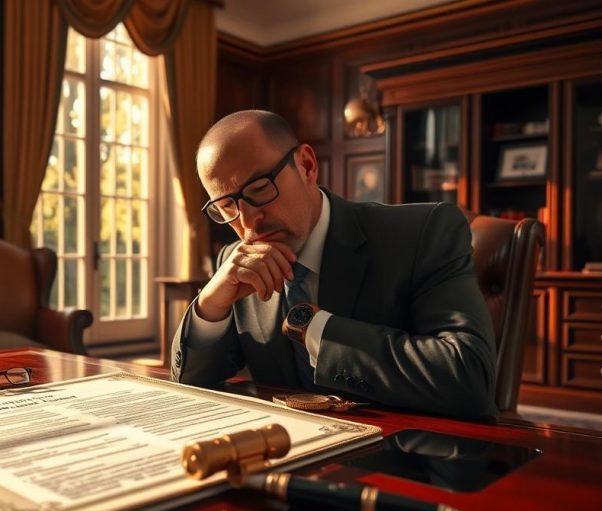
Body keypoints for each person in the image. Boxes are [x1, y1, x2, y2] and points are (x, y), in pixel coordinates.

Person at [170, 110, 498, 419]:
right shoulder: (236, 261)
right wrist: (209, 305)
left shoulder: (423, 232)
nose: (247, 221)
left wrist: (315, 329)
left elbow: (471, 379)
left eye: (259, 189)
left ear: (307, 166)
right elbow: (192, 381)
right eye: (227, 206)